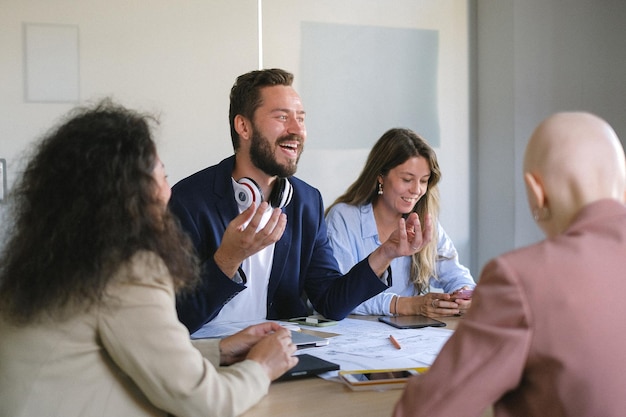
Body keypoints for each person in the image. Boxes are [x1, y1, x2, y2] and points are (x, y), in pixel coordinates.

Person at [0, 101, 298, 417]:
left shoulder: (53, 257)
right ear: (134, 191)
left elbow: (109, 354)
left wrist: (218, 351)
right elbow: (208, 404)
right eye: (163, 176)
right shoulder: (127, 268)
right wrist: (261, 366)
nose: (169, 192)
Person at [392, 112, 626, 417]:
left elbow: (424, 411)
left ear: (535, 191)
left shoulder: (521, 279)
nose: (416, 189)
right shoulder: (347, 216)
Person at [169, 69, 429, 333]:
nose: (296, 130)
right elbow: (178, 318)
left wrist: (385, 253)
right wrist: (228, 259)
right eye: (282, 117)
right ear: (244, 126)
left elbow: (331, 303)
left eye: (301, 119)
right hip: (209, 357)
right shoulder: (188, 200)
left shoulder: (306, 201)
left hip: (280, 353)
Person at [326, 128, 475, 317]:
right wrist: (403, 305)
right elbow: (336, 297)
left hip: (408, 337)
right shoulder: (343, 218)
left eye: (424, 181)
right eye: (407, 179)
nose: (416, 190)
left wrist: (464, 295)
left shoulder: (423, 220)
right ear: (380, 176)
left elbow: (455, 274)